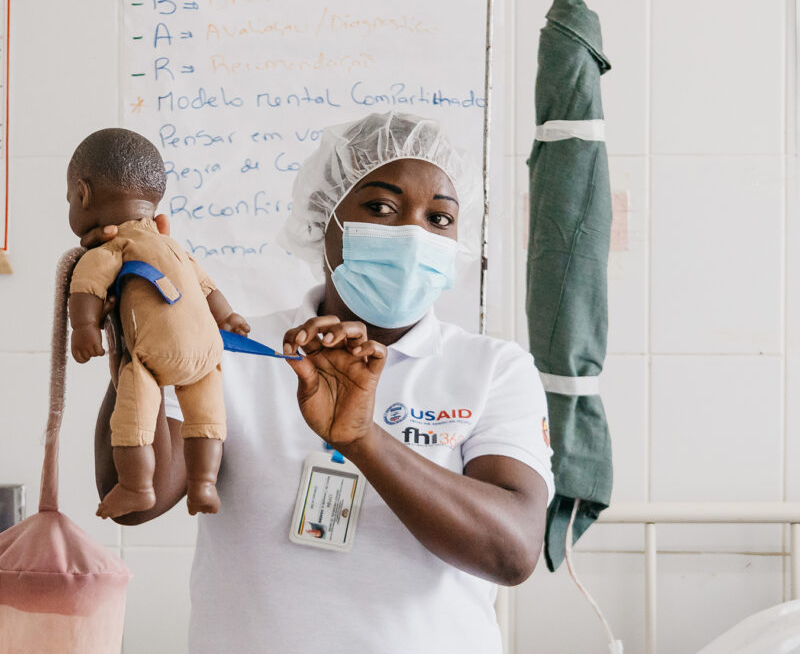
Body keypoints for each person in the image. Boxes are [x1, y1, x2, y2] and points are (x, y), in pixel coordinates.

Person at [91, 111, 554, 654]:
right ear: (324, 218)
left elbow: (512, 552)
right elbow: (135, 502)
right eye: (380, 207)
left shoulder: (491, 368)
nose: (411, 234)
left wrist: (363, 441)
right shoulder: (234, 350)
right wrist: (135, 337)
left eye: (439, 218)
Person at [67, 129, 249, 520]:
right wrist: (229, 317)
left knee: (133, 421)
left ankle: (136, 486)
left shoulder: (114, 247)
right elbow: (207, 287)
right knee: (206, 419)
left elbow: (85, 288)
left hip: (150, 357)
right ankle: (204, 484)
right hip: (207, 354)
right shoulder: (174, 248)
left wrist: (85, 330)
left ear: (83, 194)